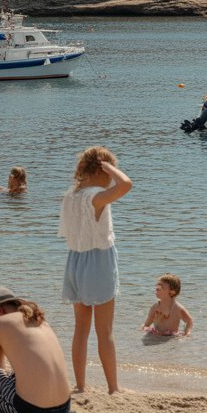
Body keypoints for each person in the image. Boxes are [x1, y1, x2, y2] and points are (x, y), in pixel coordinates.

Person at [58, 146, 133, 394]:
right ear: (100, 169)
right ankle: (113, 387)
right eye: (108, 172)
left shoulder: (71, 195)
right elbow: (126, 184)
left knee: (81, 328)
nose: (111, 178)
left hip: (75, 262)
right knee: (105, 331)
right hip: (98, 263)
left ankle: (80, 385)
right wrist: (110, 166)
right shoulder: (95, 196)